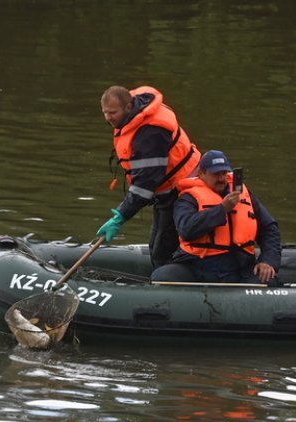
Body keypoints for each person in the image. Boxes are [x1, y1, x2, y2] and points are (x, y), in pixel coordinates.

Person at [96, 85, 201, 267]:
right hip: (166, 188)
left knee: (162, 249)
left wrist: (120, 216)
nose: (108, 118)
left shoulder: (149, 135)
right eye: (105, 113)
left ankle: (170, 288)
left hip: (181, 188)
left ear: (128, 107)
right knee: (156, 244)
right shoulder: (133, 114)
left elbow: (145, 185)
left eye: (112, 113)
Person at [149, 150, 281, 284]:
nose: (222, 179)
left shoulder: (244, 195)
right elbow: (186, 230)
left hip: (239, 269)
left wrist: (268, 260)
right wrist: (222, 210)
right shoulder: (187, 198)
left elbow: (269, 228)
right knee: (162, 276)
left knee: (270, 280)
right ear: (202, 174)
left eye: (224, 173)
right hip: (198, 266)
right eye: (216, 174)